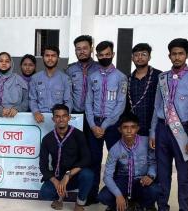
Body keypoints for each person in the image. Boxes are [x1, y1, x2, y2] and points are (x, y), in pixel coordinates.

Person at [150, 38, 188, 211]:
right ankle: (162, 210)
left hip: (183, 131)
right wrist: (153, 132)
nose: (177, 57)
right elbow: (157, 106)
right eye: (174, 54)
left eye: (181, 53)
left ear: (187, 55)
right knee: (162, 173)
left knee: (183, 175)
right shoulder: (162, 78)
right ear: (169, 55)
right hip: (162, 129)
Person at [85, 41, 128, 202]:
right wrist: (92, 125)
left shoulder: (121, 77)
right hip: (94, 123)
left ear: (113, 54)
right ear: (96, 56)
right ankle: (91, 195)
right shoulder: (92, 77)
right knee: (93, 160)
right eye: (101, 55)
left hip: (113, 124)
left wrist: (104, 125)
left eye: (107, 54)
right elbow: (88, 102)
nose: (104, 57)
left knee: (116, 160)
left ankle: (114, 197)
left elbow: (120, 104)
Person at [99, 115, 159, 211]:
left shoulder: (146, 142)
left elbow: (153, 162)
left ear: (138, 128)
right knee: (103, 196)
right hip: (124, 179)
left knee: (156, 190)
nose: (129, 131)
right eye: (125, 127)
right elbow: (107, 176)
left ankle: (140, 205)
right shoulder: (115, 149)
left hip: (141, 180)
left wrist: (150, 175)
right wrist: (118, 195)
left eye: (133, 127)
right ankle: (124, 202)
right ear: (120, 129)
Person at [38, 104, 93, 211]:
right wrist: (56, 182)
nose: (61, 119)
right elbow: (43, 166)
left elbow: (87, 158)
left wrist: (68, 175)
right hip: (58, 177)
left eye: (64, 116)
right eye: (57, 116)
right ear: (53, 119)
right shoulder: (47, 139)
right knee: (45, 193)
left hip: (74, 176)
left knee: (88, 175)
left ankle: (79, 205)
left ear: (69, 117)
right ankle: (59, 198)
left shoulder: (78, 135)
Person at [125, 43, 161, 137]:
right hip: (133, 129)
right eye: (136, 55)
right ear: (132, 58)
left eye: (143, 54)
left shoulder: (159, 76)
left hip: (154, 128)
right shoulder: (127, 79)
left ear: (149, 57)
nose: (140, 57)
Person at [29, 46, 73, 123]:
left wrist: (63, 116)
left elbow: (68, 101)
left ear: (58, 59)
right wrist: (36, 112)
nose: (50, 58)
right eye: (47, 55)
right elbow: (32, 99)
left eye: (53, 56)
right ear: (43, 58)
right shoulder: (35, 78)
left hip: (59, 120)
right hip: (39, 119)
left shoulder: (65, 79)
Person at [66, 35, 100, 125]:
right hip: (75, 113)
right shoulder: (70, 70)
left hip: (95, 114)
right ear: (75, 51)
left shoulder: (99, 68)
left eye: (85, 48)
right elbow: (68, 93)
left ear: (91, 49)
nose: (82, 52)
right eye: (78, 49)